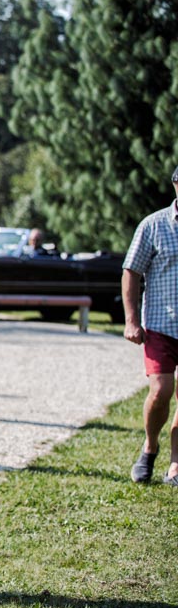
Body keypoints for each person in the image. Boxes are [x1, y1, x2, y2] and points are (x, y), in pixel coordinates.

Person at [122, 166, 178, 487]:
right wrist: (131, 320)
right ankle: (150, 448)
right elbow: (131, 271)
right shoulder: (154, 225)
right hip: (160, 324)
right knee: (161, 390)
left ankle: (175, 465)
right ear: (175, 185)